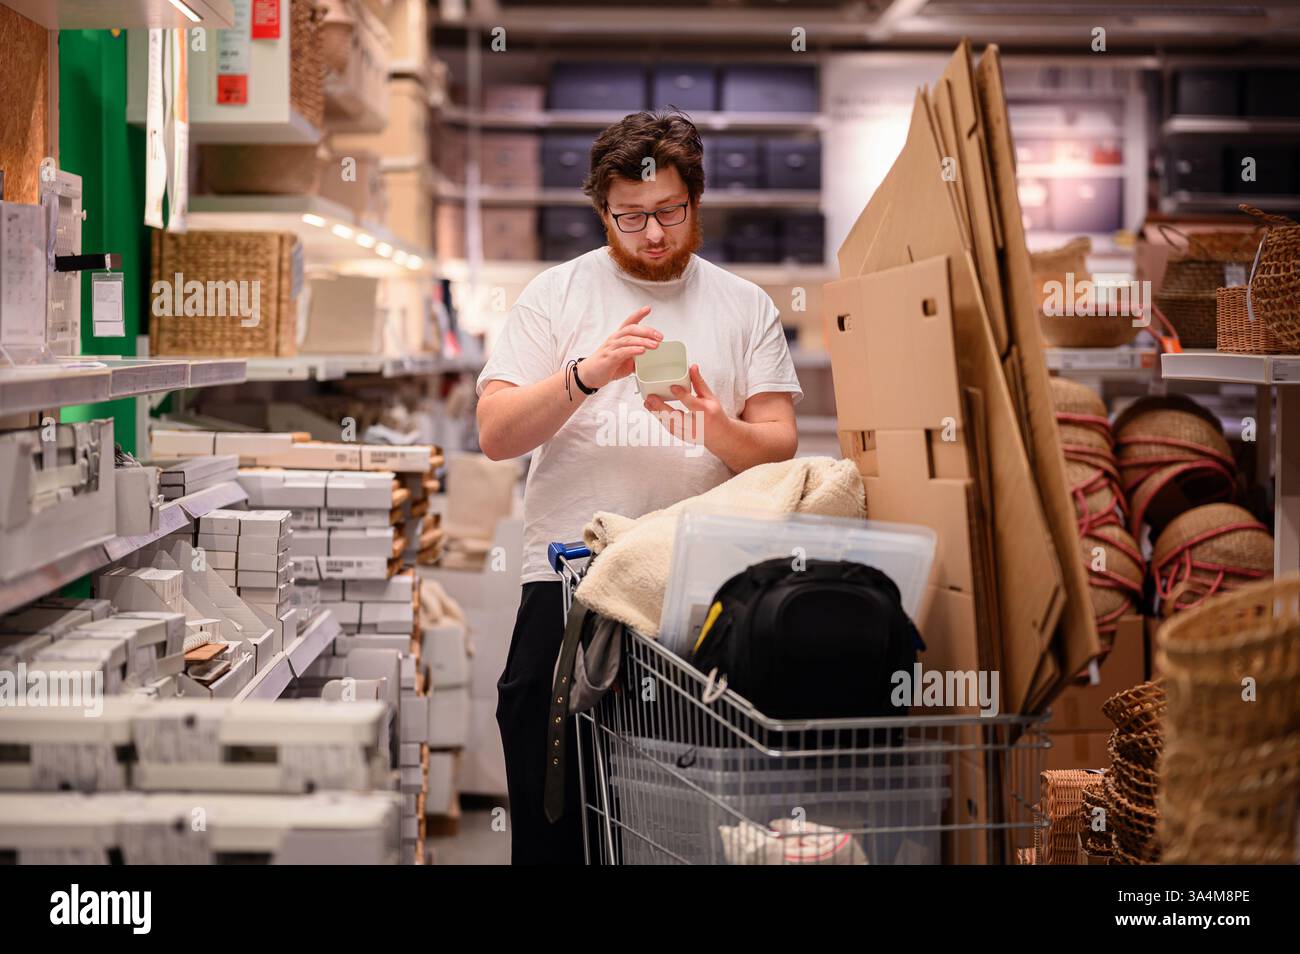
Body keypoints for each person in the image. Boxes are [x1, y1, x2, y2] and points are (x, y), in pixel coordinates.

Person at [475, 109, 803, 864]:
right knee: (552, 791)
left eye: (668, 213)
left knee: (686, 817)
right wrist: (587, 374)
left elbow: (780, 446)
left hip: (701, 587)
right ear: (602, 210)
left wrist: (716, 427)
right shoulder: (554, 297)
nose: (653, 235)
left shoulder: (744, 304)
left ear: (696, 200)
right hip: (567, 585)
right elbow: (496, 434)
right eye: (631, 217)